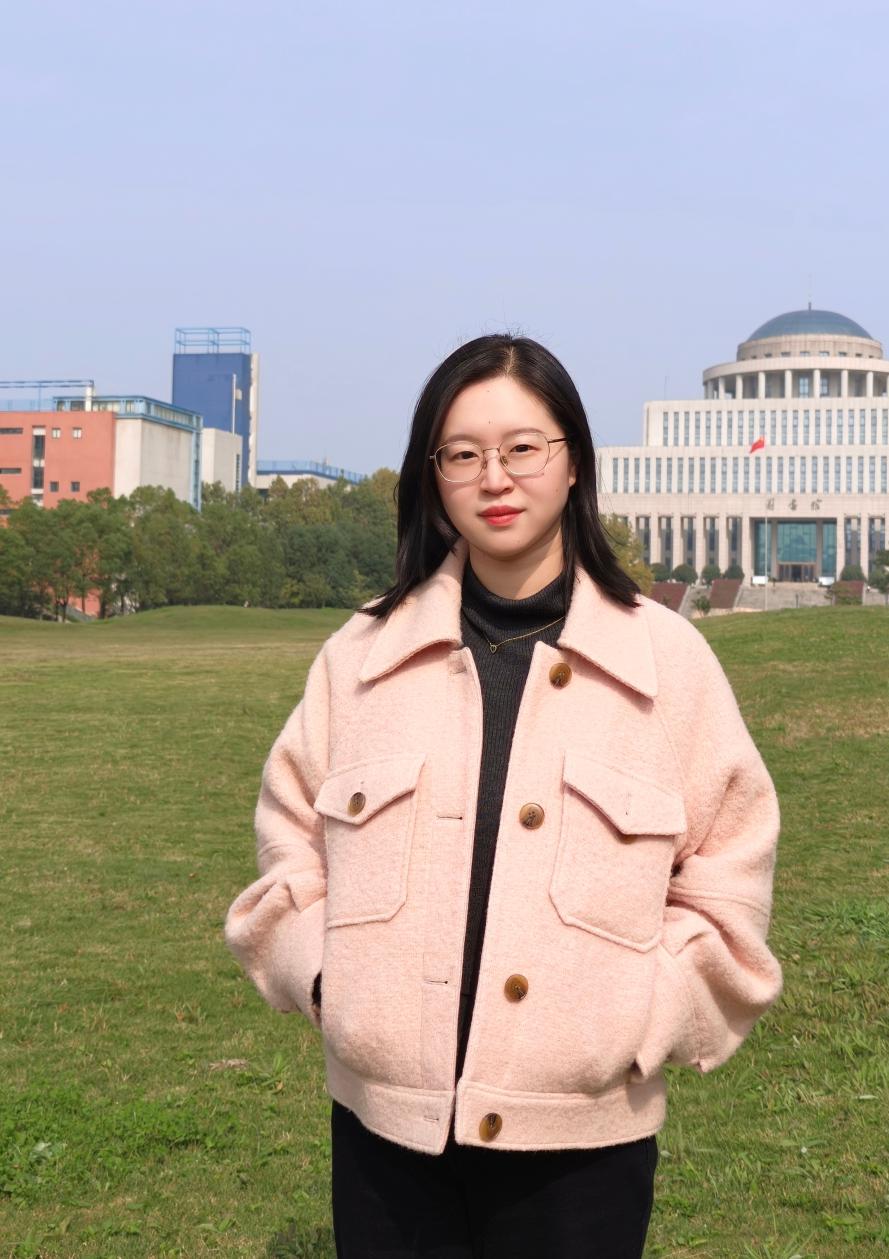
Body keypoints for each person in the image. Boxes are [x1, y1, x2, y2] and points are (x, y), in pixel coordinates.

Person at [224, 334, 783, 1258]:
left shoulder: (667, 662)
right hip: (387, 1136)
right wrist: (327, 980)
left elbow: (731, 865)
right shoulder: (362, 656)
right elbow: (290, 832)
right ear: (432, 476)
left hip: (584, 1149)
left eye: (524, 447)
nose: (495, 477)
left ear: (574, 462)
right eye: (462, 453)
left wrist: (648, 1015)